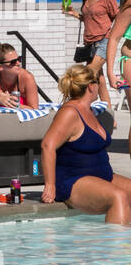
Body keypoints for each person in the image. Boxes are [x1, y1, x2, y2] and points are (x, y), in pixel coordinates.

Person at [40, 64, 131, 223]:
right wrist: (50, 185)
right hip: (73, 179)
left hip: (103, 176)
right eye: (98, 82)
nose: (101, 85)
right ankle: (116, 246)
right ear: (91, 86)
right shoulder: (69, 112)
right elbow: (48, 145)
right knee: (119, 197)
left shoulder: (90, 110)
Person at [66, 0, 119, 108]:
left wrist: (112, 37)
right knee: (99, 79)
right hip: (89, 43)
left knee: (86, 75)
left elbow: (118, 18)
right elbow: (87, 18)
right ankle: (109, 116)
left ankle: (76, 106)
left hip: (104, 41)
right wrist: (74, 14)